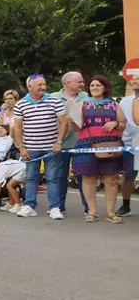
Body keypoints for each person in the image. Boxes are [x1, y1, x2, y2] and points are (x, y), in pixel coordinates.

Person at [70, 75, 127, 223]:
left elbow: (123, 124)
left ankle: (110, 212)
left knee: (111, 179)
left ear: (105, 87)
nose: (94, 88)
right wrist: (72, 120)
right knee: (89, 177)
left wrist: (115, 124)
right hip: (87, 144)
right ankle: (91, 212)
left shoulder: (114, 104)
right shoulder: (83, 104)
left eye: (98, 85)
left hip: (111, 144)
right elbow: (77, 127)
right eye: (92, 85)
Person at [13, 74, 68, 219]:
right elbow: (17, 128)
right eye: (39, 85)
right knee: (31, 177)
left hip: (51, 148)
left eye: (44, 84)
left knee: (52, 177)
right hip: (30, 148)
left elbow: (64, 122)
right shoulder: (21, 104)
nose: (43, 87)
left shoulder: (54, 101)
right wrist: (21, 147)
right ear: (29, 87)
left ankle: (54, 207)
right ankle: (29, 206)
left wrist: (59, 142)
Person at [52, 71, 88, 214]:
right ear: (68, 83)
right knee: (60, 176)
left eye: (82, 81)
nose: (82, 84)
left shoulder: (86, 97)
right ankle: (59, 206)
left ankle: (88, 207)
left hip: (81, 143)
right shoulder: (53, 97)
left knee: (83, 175)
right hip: (60, 144)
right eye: (79, 81)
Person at [117, 74, 139, 216]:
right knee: (129, 176)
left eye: (138, 78)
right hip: (130, 144)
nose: (135, 81)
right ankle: (125, 206)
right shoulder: (124, 101)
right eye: (133, 79)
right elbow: (121, 122)